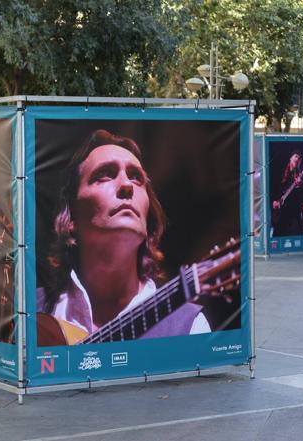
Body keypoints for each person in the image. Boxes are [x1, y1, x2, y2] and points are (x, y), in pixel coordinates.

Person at [37, 129, 210, 345]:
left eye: (136, 178)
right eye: (105, 174)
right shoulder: (29, 313)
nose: (127, 185)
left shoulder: (190, 327)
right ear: (72, 217)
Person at [271, 150, 303, 237]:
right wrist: (274, 200)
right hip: (281, 213)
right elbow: (274, 189)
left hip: (294, 212)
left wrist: (299, 187)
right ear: (290, 158)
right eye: (296, 156)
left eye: (299, 158)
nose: (297, 159)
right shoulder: (281, 172)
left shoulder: (300, 177)